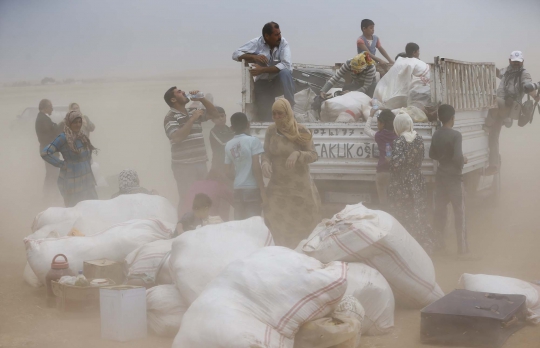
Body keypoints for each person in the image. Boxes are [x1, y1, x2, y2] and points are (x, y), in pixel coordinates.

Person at [262, 99, 321, 248]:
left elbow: (313, 155)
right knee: (275, 221)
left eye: (280, 113)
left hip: (299, 189)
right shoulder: (271, 131)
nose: (276, 117)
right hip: (277, 187)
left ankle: (300, 254)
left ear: (287, 113)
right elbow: (266, 153)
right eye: (274, 114)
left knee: (301, 225)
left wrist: (298, 154)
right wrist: (265, 162)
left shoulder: (301, 131)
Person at [429, 105, 479, 260]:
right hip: (454, 179)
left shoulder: (436, 134)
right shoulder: (456, 135)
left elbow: (432, 154)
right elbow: (458, 157)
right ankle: (462, 249)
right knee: (460, 213)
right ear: (452, 118)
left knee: (439, 212)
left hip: (441, 177)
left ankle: (438, 245)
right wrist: (462, 160)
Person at [163, 87, 220, 216]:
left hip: (200, 162)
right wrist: (192, 119)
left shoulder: (192, 111)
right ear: (173, 99)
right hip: (184, 166)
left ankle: (201, 225)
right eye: (179, 92)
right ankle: (183, 226)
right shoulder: (170, 117)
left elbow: (215, 115)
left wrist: (202, 99)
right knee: (186, 198)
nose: (183, 92)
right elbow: (177, 137)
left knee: (203, 197)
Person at [388, 112, 434, 254]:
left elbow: (397, 164)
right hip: (417, 180)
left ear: (398, 125)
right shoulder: (419, 138)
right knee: (417, 212)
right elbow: (420, 158)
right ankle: (424, 245)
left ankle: (406, 248)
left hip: (402, 183)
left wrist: (390, 161)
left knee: (403, 214)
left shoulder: (399, 141)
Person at [486, 51, 539, 174]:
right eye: (514, 62)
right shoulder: (507, 71)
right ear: (510, 61)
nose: (516, 64)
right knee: (493, 137)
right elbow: (500, 74)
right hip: (500, 107)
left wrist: (535, 95)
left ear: (522, 62)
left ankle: (487, 125)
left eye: (518, 62)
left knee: (492, 100)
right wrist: (489, 68)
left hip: (509, 106)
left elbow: (527, 86)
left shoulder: (524, 73)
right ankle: (493, 165)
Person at [232, 21, 294, 121]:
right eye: (276, 34)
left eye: (280, 33)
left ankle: (291, 107)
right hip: (263, 84)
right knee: (265, 115)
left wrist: (262, 70)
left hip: (278, 83)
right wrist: (253, 56)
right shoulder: (256, 43)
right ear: (267, 36)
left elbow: (286, 64)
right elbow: (235, 54)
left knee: (285, 72)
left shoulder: (283, 43)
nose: (279, 37)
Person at [41, 111, 98, 207]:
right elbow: (45, 153)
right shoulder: (63, 138)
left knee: (93, 207)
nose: (78, 124)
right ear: (69, 123)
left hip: (87, 180)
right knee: (75, 210)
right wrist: (61, 164)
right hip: (73, 181)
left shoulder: (82, 136)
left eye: (79, 122)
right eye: (75, 122)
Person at [225, 112, 266, 220]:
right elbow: (256, 167)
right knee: (252, 225)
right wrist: (262, 191)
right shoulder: (253, 141)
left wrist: (239, 176)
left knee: (240, 227)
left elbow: (227, 172)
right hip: (252, 189)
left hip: (237, 189)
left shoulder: (228, 145)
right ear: (248, 124)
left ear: (232, 128)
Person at [364, 108, 397, 207]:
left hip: (382, 172)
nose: (377, 125)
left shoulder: (379, 136)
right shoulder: (397, 135)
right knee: (394, 201)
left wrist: (371, 115)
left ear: (382, 124)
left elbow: (366, 130)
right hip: (395, 172)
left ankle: (384, 216)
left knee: (383, 201)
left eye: (378, 123)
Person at [35, 99, 63, 204]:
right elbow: (51, 133)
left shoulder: (42, 118)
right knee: (53, 174)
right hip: (49, 150)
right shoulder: (43, 119)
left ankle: (48, 195)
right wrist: (61, 125)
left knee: (50, 173)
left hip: (46, 149)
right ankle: (50, 197)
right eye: (51, 107)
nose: (52, 109)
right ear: (46, 108)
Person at [209, 106, 235, 174]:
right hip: (218, 163)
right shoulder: (213, 131)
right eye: (217, 117)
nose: (221, 119)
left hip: (230, 163)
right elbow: (223, 143)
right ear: (212, 120)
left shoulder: (230, 130)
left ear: (225, 116)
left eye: (222, 116)